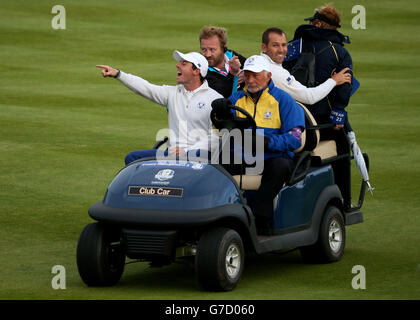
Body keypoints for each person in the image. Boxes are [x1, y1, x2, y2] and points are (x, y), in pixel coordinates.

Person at [213, 55, 305, 234]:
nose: (250, 80)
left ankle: (259, 219)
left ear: (268, 76)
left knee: (280, 166)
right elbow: (220, 128)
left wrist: (268, 142)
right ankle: (216, 217)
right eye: (247, 76)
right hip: (242, 155)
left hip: (271, 156)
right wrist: (219, 113)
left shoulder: (283, 100)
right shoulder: (237, 98)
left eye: (255, 75)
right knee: (212, 166)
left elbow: (295, 138)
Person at [96, 50, 223, 165]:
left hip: (198, 155)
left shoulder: (215, 99)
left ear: (196, 71)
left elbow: (217, 136)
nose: (177, 65)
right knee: (133, 158)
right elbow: (145, 88)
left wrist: (186, 151)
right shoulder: (172, 93)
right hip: (172, 154)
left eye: (184, 64)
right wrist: (118, 74)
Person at [284, 4, 354, 138]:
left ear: (319, 24)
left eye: (312, 21)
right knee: (340, 150)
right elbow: (345, 85)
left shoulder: (294, 45)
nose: (309, 23)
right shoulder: (340, 52)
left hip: (294, 115)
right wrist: (338, 113)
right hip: (325, 118)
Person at [260, 27, 352, 122]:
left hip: (254, 126)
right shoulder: (275, 72)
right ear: (264, 47)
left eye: (283, 45)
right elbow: (309, 97)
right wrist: (334, 81)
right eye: (275, 45)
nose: (281, 50)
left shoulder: (258, 61)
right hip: (264, 130)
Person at [199, 26, 247, 98]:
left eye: (212, 49)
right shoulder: (200, 71)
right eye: (204, 49)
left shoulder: (232, 55)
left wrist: (247, 73)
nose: (207, 55)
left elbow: (256, 66)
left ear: (224, 48)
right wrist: (232, 74)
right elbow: (221, 94)